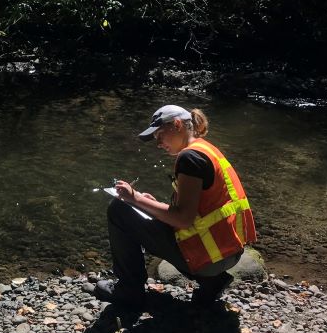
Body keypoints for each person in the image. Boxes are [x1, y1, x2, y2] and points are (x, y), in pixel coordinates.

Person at [94, 104, 256, 310]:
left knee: (119, 209)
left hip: (210, 258)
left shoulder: (189, 158)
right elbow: (198, 213)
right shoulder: (206, 149)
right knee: (142, 209)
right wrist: (150, 203)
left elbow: (183, 219)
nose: (159, 144)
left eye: (160, 135)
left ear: (177, 125)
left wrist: (134, 198)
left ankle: (129, 290)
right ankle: (212, 282)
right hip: (229, 251)